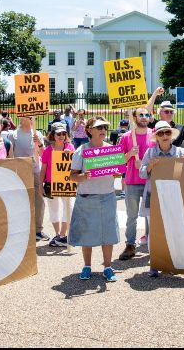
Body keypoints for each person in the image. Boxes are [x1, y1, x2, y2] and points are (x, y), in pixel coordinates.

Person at [69, 117, 120, 282]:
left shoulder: (111, 149)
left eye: (104, 127)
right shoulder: (81, 151)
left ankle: (107, 267)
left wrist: (116, 172)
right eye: (98, 127)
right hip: (87, 197)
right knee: (87, 234)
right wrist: (83, 176)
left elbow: (117, 174)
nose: (102, 130)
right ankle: (87, 266)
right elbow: (73, 176)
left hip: (107, 196)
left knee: (108, 233)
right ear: (89, 130)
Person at [139, 120, 184, 277]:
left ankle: (169, 262)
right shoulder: (150, 153)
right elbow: (142, 173)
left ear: (171, 135)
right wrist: (150, 166)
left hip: (174, 197)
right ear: (156, 136)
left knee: (173, 229)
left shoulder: (180, 153)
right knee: (154, 232)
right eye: (160, 133)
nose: (164, 136)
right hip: (153, 195)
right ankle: (154, 264)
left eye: (167, 132)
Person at [117, 106, 155, 261]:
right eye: (141, 115)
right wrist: (130, 154)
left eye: (147, 115)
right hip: (132, 181)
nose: (144, 117)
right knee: (131, 216)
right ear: (134, 117)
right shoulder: (126, 137)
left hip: (149, 181)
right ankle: (130, 245)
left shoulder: (154, 135)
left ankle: (153, 244)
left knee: (151, 216)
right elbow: (119, 162)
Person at [5, 116, 48, 242]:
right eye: (26, 116)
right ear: (20, 118)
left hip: (35, 170)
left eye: (31, 117)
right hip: (20, 171)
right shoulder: (13, 135)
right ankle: (20, 229)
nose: (28, 118)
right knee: (20, 200)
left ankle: (38, 230)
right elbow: (10, 154)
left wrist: (39, 143)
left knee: (39, 200)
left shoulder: (37, 133)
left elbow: (43, 154)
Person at [39, 122, 75, 247]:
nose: (61, 136)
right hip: (50, 184)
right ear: (52, 135)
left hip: (66, 183)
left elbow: (74, 166)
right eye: (58, 133)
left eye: (64, 133)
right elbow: (43, 169)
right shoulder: (48, 150)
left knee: (69, 208)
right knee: (54, 210)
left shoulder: (70, 147)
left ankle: (62, 235)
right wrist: (40, 186)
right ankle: (58, 235)